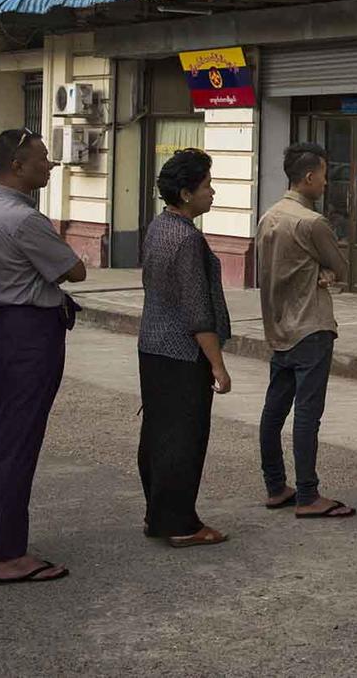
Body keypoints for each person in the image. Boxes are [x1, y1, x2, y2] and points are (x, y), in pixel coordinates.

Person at [0, 128, 86, 584]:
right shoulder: (26, 220)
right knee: (17, 438)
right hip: (26, 332)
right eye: (43, 158)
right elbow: (75, 269)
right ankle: (11, 552)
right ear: (17, 165)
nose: (50, 165)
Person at [138, 148, 232, 548]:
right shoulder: (187, 239)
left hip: (153, 345)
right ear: (187, 193)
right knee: (183, 439)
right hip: (181, 351)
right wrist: (218, 366)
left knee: (158, 436)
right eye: (207, 185)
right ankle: (180, 523)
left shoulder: (159, 227)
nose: (212, 192)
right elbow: (198, 311)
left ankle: (158, 514)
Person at [255, 143, 354, 519]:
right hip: (310, 326)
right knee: (307, 414)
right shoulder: (311, 222)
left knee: (273, 410)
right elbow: (340, 267)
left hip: (278, 325)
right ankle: (309, 495)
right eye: (325, 174)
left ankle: (276, 485)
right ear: (310, 177)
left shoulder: (269, 217)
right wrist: (325, 274)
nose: (327, 182)